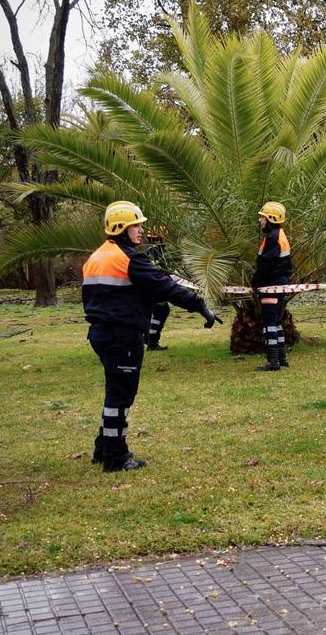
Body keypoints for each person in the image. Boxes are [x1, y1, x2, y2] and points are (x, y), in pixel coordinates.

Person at [84, 201, 222, 472]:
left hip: (100, 333)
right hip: (123, 335)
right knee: (120, 396)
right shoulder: (129, 259)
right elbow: (165, 286)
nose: (141, 230)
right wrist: (199, 305)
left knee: (115, 391)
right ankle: (115, 457)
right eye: (136, 225)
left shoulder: (97, 257)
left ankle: (104, 448)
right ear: (121, 227)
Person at [252, 202, 292, 372]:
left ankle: (273, 361)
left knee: (269, 321)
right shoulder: (279, 234)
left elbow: (266, 264)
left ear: (270, 218)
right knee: (276, 321)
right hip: (279, 282)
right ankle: (281, 358)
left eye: (262, 217)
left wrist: (255, 283)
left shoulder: (272, 238)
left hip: (272, 284)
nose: (260, 220)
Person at [144, 227, 171, 351]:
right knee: (161, 311)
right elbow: (161, 271)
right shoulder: (157, 251)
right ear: (160, 238)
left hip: (153, 288)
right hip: (157, 288)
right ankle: (152, 341)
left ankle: (150, 338)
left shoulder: (150, 250)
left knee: (159, 312)